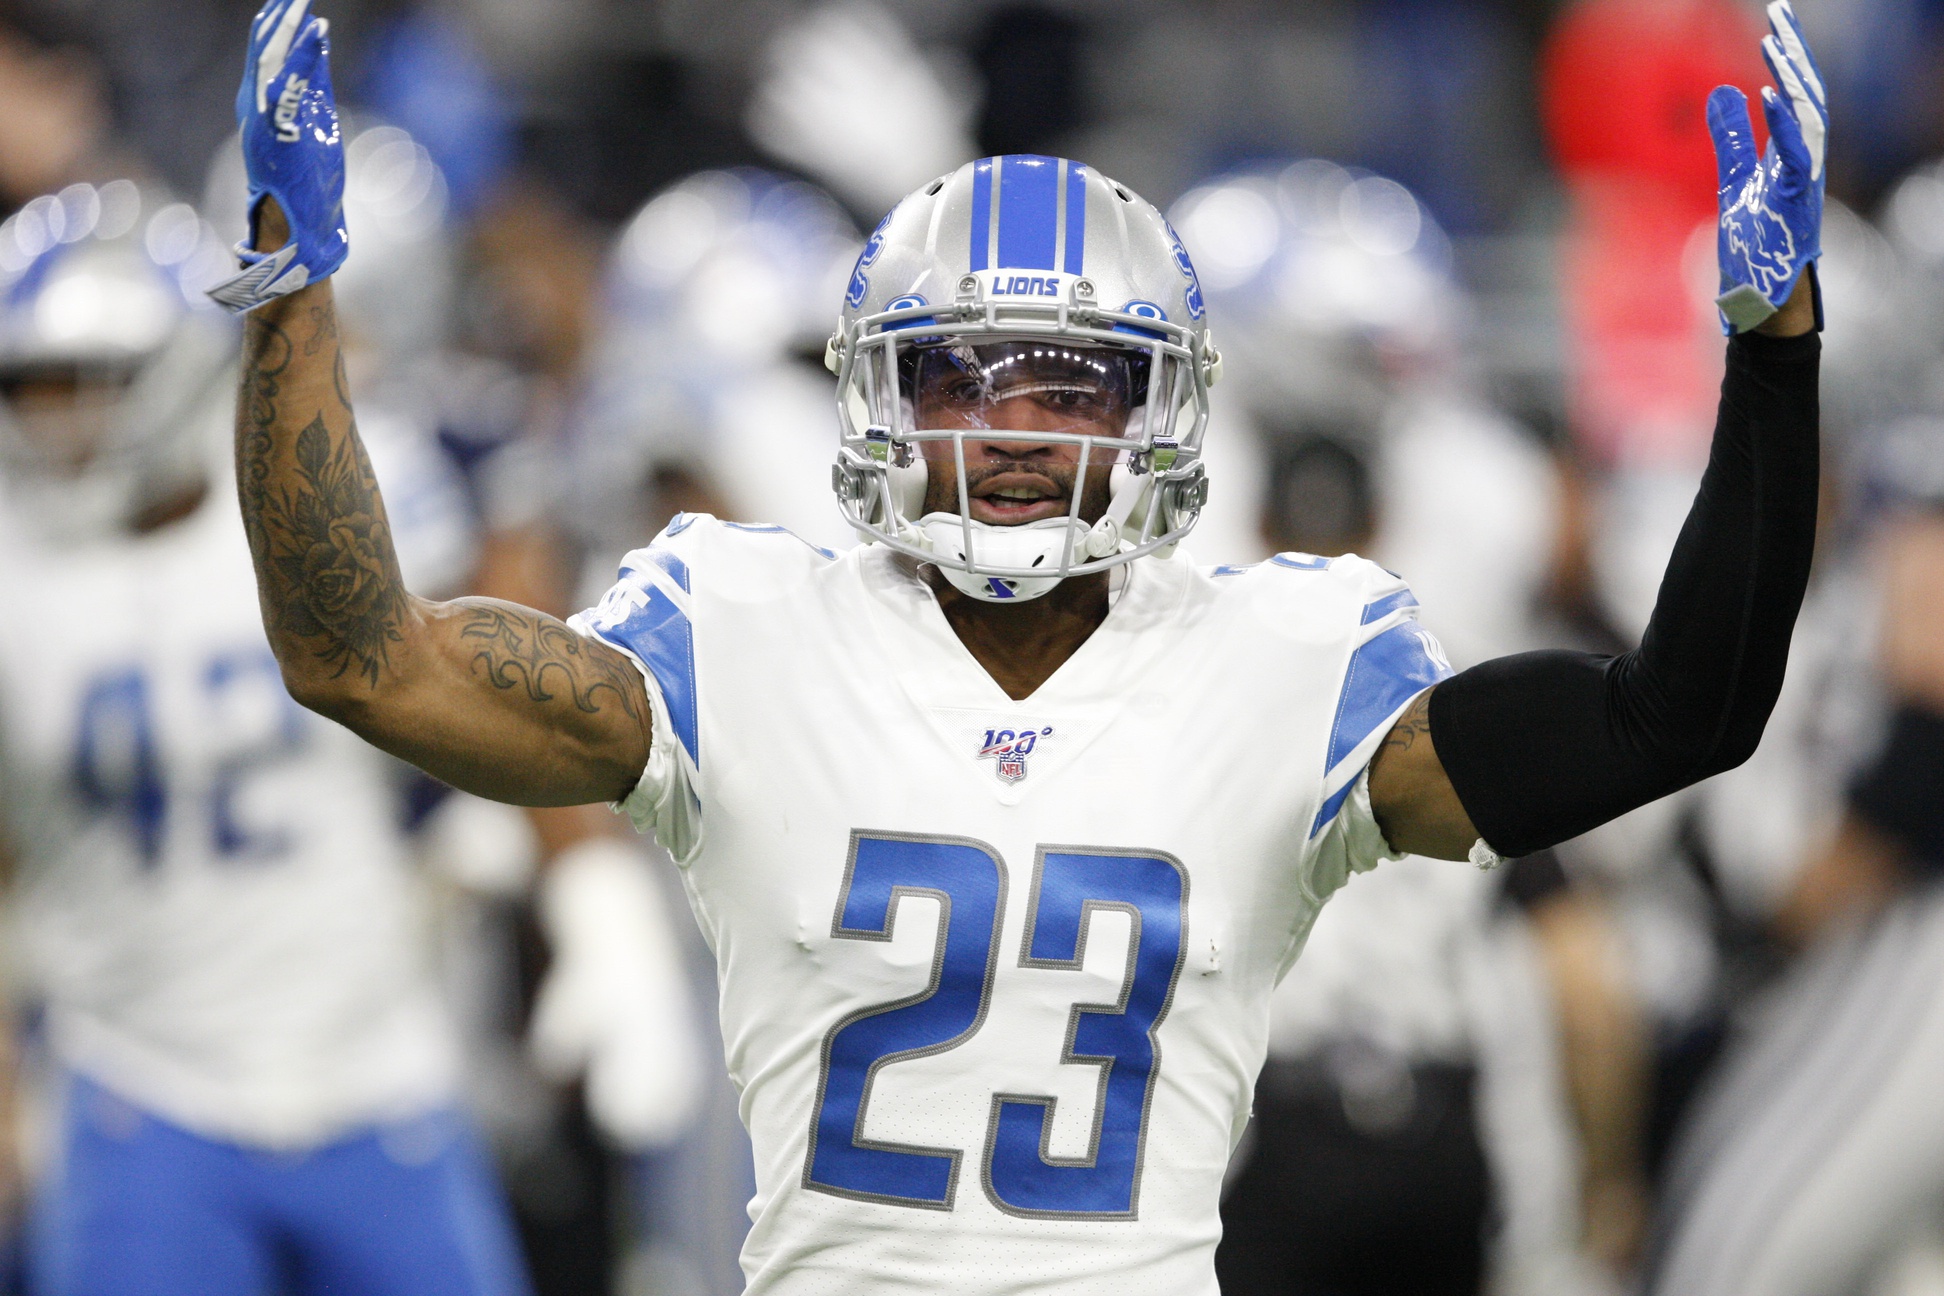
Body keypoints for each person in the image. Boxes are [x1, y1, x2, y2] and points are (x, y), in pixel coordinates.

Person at [209, 1, 1826, 1292]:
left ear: (1163, 413)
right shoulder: (745, 630)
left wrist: (1768, 360)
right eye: (961, 379)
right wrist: (295, 298)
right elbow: (368, 659)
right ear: (876, 400)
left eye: (1069, 386)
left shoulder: (1283, 659)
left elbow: (1665, 718)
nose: (1014, 432)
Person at [0, 183, 532, 1294]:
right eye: (30, 388)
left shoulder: (305, 501)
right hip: (139, 1084)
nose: (56, 421)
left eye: (86, 385)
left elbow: (498, 633)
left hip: (374, 1057)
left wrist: (517, 845)